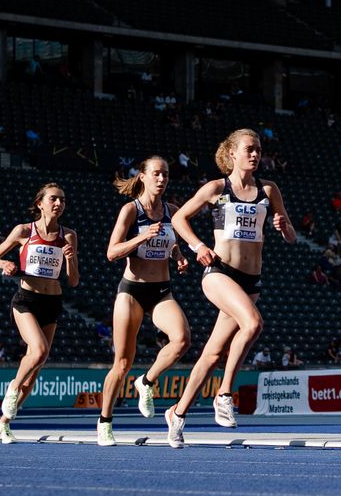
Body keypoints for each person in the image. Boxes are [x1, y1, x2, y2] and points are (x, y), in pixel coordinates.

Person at [164, 129, 295, 447]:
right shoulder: (217, 188)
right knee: (253, 323)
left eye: (259, 150)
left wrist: (283, 227)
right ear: (232, 153)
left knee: (212, 354)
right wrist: (197, 246)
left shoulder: (268, 189)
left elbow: (290, 235)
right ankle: (224, 394)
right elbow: (179, 218)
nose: (255, 154)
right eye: (249, 149)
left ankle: (177, 415)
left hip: (251, 281)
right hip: (219, 273)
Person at [96, 156, 191, 447]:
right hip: (132, 291)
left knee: (182, 339)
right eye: (156, 174)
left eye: (165, 175)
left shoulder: (172, 211)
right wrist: (141, 238)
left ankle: (146, 382)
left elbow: (172, 242)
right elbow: (112, 252)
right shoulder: (130, 210)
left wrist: (178, 257)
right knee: (122, 362)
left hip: (161, 290)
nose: (162, 179)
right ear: (143, 176)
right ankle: (105, 421)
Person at [0, 184, 79, 443]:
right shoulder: (24, 230)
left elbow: (73, 281)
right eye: (53, 199)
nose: (58, 203)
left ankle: (4, 423)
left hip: (53, 301)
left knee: (36, 368)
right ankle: (13, 388)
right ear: (40, 203)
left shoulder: (68, 235)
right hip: (26, 299)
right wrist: (4, 263)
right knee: (38, 350)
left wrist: (70, 260)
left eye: (62, 200)